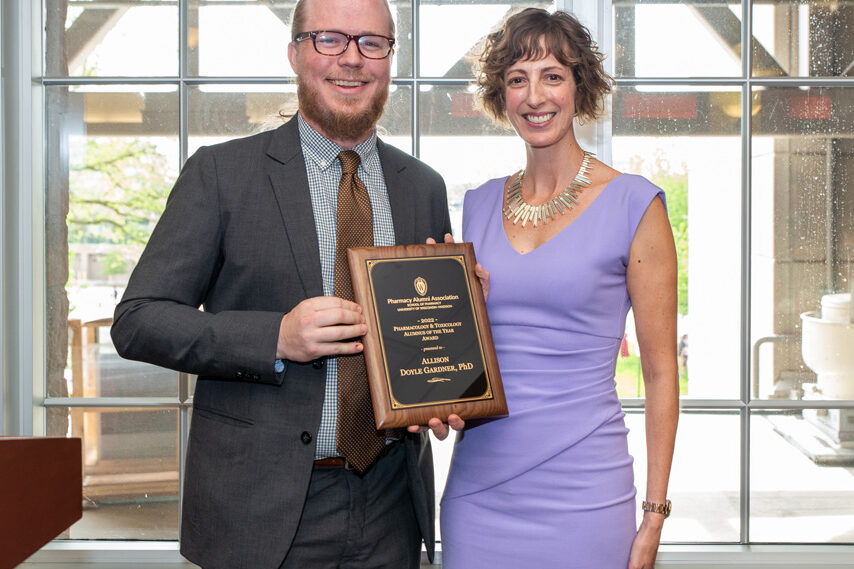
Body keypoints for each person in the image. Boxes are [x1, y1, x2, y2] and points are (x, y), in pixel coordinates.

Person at [110, 0, 454, 567]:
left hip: (394, 503)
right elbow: (139, 319)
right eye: (329, 40)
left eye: (372, 43)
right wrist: (276, 338)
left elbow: (425, 334)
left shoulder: (422, 186)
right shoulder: (221, 174)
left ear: (390, 58)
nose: (352, 59)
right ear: (294, 53)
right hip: (260, 511)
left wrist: (444, 382)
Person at [439, 8, 679, 569]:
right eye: (517, 79)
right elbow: (461, 355)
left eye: (552, 75)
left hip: (586, 490)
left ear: (579, 87)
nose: (534, 95)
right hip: (479, 490)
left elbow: (662, 373)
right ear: (501, 96)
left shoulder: (634, 204)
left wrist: (655, 514)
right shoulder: (476, 205)